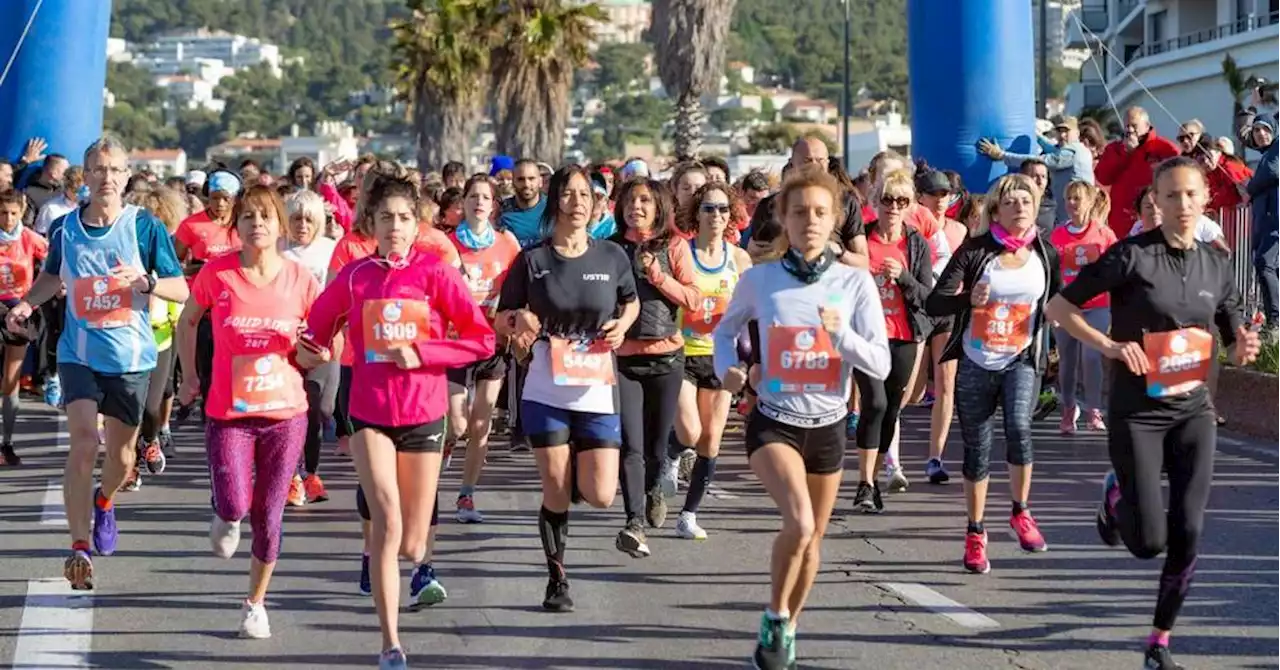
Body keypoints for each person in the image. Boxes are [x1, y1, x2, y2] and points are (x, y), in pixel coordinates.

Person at [1045, 156, 1260, 670]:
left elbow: (1231, 340)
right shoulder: (1131, 257)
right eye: (1171, 196)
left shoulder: (1218, 263)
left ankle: (1159, 640)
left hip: (1194, 411)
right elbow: (1059, 307)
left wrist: (1243, 348)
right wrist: (1111, 346)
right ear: (1155, 203)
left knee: (1188, 527)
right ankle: (1113, 494)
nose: (1182, 205)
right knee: (1148, 543)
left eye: (1191, 195)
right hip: (1137, 411)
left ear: (1205, 199)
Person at [298, 175, 495, 669]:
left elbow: (481, 340)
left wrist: (424, 352)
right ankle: (390, 644)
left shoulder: (437, 274)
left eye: (404, 218)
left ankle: (411, 566)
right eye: (385, 218)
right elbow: (314, 330)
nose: (395, 227)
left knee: (411, 542)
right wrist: (308, 349)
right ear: (372, 223)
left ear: (417, 224)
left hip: (424, 412)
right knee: (385, 520)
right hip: (369, 413)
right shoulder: (355, 276)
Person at [713, 165, 890, 670]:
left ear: (834, 219)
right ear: (782, 219)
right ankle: (773, 612)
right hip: (774, 419)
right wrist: (731, 370)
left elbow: (877, 362)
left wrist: (842, 339)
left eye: (819, 212)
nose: (809, 221)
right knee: (800, 520)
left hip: (830, 425)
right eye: (798, 213)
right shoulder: (759, 280)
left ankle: (787, 624)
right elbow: (726, 333)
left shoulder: (854, 283)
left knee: (813, 539)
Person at [5, 136, 188, 590]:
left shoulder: (145, 227)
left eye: (115, 170)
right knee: (84, 440)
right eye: (98, 169)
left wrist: (146, 282)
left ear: (127, 176)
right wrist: (27, 305)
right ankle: (79, 546)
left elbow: (181, 289)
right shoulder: (66, 229)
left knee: (122, 457)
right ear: (84, 178)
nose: (107, 177)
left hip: (131, 357)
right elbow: (50, 279)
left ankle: (105, 501)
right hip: (79, 354)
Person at [494, 165, 640, 613]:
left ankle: (577, 462)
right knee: (556, 492)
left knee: (599, 494)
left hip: (596, 386)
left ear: (597, 203)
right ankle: (557, 578)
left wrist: (622, 326)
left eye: (586, 195)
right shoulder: (533, 260)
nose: (578, 202)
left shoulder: (612, 256)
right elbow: (500, 318)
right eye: (570, 194)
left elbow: (630, 300)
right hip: (546, 387)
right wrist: (519, 322)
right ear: (555, 200)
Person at [176, 184, 318, 637]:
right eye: (248, 217)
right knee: (238, 503)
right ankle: (224, 509)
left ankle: (255, 603)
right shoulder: (216, 275)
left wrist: (319, 354)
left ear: (280, 226)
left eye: (266, 216)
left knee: (270, 513)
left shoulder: (301, 279)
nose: (257, 224)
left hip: (286, 414)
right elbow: (187, 320)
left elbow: (322, 342)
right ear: (235, 227)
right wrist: (189, 375)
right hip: (229, 414)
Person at [926, 173, 1061, 575]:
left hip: (1021, 359)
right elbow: (935, 302)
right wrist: (970, 298)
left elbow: (1054, 304)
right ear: (996, 211)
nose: (1020, 207)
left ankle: (1021, 511)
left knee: (1020, 426)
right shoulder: (975, 251)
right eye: (1011, 201)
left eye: (1026, 200)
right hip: (976, 360)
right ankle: (975, 532)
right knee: (977, 449)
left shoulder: (1045, 253)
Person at [610, 175, 701, 553]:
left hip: (666, 357)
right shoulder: (611, 249)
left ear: (658, 207)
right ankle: (633, 522)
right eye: (631, 201)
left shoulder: (674, 246)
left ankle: (652, 491)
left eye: (645, 201)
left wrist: (657, 275)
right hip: (624, 359)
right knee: (630, 443)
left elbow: (693, 299)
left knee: (655, 446)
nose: (637, 207)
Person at [668, 182, 753, 540]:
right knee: (690, 430)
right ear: (696, 214)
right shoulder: (681, 253)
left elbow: (751, 310)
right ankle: (672, 454)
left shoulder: (739, 259)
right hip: (683, 351)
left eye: (722, 209)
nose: (716, 215)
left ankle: (688, 514)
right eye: (708, 208)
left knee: (711, 440)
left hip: (722, 357)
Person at [853, 169, 933, 513]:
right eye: (887, 199)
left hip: (904, 334)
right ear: (876, 202)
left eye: (901, 201)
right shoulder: (863, 238)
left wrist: (903, 277)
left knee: (892, 408)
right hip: (867, 335)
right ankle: (864, 483)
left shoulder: (915, 243)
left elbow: (927, 295)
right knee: (874, 405)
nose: (893, 207)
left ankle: (875, 473)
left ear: (910, 205)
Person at [446, 175, 521, 523]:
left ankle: (466, 495)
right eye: (473, 196)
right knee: (458, 424)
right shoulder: (448, 245)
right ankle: (447, 439)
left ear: (493, 205)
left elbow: (520, 286)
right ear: (463, 202)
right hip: (455, 343)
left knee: (481, 424)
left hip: (493, 344)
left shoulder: (507, 243)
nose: (479, 202)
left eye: (485, 197)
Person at [283, 190, 339, 504]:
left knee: (318, 408)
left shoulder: (330, 251)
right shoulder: (277, 251)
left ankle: (312, 473)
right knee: (290, 412)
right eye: (296, 219)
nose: (302, 225)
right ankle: (291, 476)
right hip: (284, 344)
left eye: (308, 219)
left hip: (322, 340)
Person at [1049, 181, 1117, 434]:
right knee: (1067, 360)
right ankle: (1068, 409)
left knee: (1090, 356)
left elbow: (1116, 268)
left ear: (1089, 202)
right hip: (1067, 306)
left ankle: (1094, 410)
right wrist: (1053, 307)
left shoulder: (1104, 234)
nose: (1072, 204)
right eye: (1068, 198)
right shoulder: (1057, 235)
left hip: (1097, 304)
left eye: (1077, 198)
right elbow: (1051, 274)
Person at [131, 188, 187, 487]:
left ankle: (149, 440)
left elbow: (180, 309)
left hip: (162, 339)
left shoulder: (168, 266)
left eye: (165, 225)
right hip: (129, 340)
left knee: (152, 407)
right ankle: (129, 467)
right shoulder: (130, 256)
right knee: (129, 408)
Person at [0, 189, 48, 465]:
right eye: (3, 213)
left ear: (21, 212)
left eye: (13, 213)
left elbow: (55, 258)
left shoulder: (28, 238)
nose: (8, 219)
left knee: (11, 380)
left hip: (19, 310)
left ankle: (7, 442)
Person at [1096, 107, 1181, 238]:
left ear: (1147, 126)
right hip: (1123, 219)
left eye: (1134, 126)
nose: (1130, 130)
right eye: (1127, 126)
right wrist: (1125, 153)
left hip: (1155, 215)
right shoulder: (1114, 149)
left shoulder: (1164, 148)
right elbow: (1103, 177)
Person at [499, 159, 547, 248]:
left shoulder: (554, 208)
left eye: (531, 179)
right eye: (521, 179)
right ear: (513, 182)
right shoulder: (501, 211)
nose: (526, 184)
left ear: (540, 181)